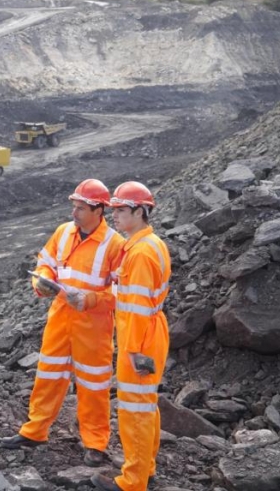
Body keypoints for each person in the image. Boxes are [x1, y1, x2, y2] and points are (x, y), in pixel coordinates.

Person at [0, 179, 125, 469]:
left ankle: (95, 443)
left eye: (81, 208)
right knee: (48, 376)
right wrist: (40, 282)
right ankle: (35, 431)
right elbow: (46, 264)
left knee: (93, 385)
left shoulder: (114, 245)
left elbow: (121, 292)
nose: (74, 213)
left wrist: (90, 300)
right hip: (60, 318)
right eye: (74, 206)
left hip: (93, 327)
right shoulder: (63, 233)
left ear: (99, 210)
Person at [90, 182, 172, 491]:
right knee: (145, 406)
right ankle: (145, 469)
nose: (114, 216)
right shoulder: (150, 244)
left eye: (121, 210)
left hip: (140, 337)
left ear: (139, 212)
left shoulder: (139, 253)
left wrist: (135, 351)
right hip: (150, 332)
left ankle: (132, 482)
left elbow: (136, 307)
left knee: (134, 410)